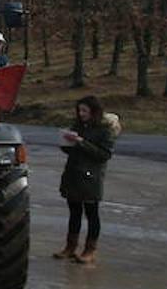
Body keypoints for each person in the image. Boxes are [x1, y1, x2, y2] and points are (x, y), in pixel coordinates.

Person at [51, 95, 118, 265]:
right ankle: (70, 246)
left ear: (94, 111)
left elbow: (104, 154)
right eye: (79, 110)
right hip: (73, 174)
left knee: (91, 213)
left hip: (90, 176)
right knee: (74, 212)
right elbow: (72, 150)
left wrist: (81, 142)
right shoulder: (79, 126)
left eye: (84, 111)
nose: (81, 114)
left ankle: (90, 249)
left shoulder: (105, 130)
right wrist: (66, 143)